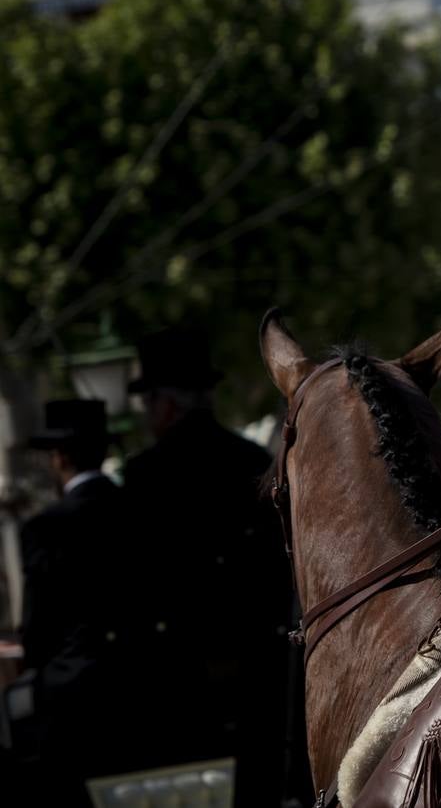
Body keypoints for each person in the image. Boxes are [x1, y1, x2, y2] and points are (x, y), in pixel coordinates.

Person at [120, 328, 293, 806]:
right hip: (256, 668)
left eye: (149, 403)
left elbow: (136, 587)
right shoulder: (255, 462)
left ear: (166, 405)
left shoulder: (144, 475)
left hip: (176, 679)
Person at [16, 399, 131, 805]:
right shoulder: (137, 510)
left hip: (72, 695)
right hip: (138, 685)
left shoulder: (45, 528)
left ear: (60, 457)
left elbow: (36, 626)